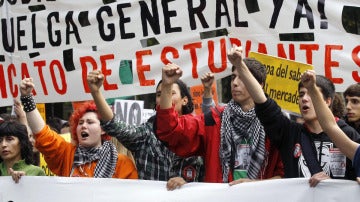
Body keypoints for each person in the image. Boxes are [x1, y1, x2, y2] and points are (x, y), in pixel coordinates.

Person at [227, 45, 360, 187]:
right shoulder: (289, 133)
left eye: (311, 94)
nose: (304, 99)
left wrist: (331, 186)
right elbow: (263, 103)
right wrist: (240, 65)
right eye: (301, 94)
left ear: (328, 101)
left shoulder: (347, 134)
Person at [156, 62, 284, 184]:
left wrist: (253, 185)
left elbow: (286, 175)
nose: (235, 83)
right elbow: (171, 130)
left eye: (243, 77)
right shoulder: (215, 119)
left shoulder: (274, 123)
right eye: (233, 77)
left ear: (259, 85)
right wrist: (167, 86)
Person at [87, 70, 204, 190]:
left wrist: (187, 185)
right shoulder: (145, 135)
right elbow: (114, 126)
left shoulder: (198, 134)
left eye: (170, 92)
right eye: (160, 94)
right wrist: (96, 92)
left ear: (184, 100)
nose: (165, 96)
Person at [19, 78, 138, 179]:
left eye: (90, 122)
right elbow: (43, 135)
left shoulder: (122, 163)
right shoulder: (67, 155)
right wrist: (27, 99)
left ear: (103, 129)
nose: (84, 125)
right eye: (80, 123)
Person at [301, 70, 360, 184]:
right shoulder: (358, 153)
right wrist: (312, 88)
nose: (349, 107)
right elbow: (330, 126)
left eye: (355, 101)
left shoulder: (350, 132)